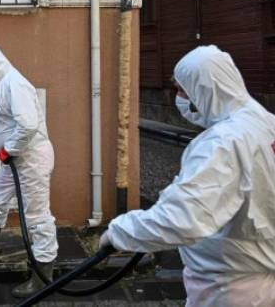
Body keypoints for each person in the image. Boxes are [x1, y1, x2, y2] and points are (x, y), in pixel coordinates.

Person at [100, 45, 275, 307]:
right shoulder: (265, 122)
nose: (180, 98)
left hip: (231, 286)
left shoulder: (223, 144)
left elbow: (182, 218)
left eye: (183, 90)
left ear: (204, 89)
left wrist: (119, 233)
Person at [0, 44, 58, 298]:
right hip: (15, 158)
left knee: (36, 216)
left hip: (32, 158)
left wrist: (10, 148)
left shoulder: (15, 85)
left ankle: (42, 275)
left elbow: (28, 125)